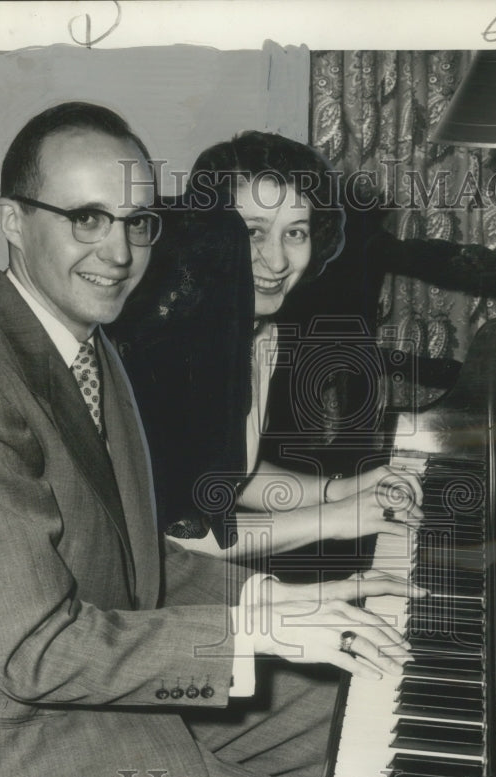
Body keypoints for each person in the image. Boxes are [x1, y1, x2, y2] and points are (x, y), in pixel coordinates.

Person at [0, 102, 421, 777]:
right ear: (12, 222)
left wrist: (305, 606)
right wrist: (253, 629)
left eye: (137, 222)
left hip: (104, 678)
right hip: (6, 745)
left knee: (365, 718)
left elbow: (144, 562)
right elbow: (35, 651)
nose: (119, 252)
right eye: (87, 219)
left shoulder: (83, 344)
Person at [165, 132, 423, 561]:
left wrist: (338, 489)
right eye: (253, 232)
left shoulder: (263, 332)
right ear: (206, 235)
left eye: (295, 233)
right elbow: (178, 536)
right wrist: (336, 518)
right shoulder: (166, 346)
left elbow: (227, 478)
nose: (278, 260)